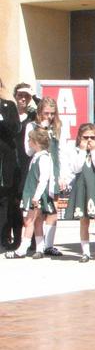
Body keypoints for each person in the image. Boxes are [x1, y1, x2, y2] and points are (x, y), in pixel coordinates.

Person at [65, 123, 95, 263]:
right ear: (80, 137)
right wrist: (82, 150)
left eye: (92, 137)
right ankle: (85, 252)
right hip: (82, 188)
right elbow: (76, 168)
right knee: (84, 221)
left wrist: (93, 151)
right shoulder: (75, 151)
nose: (89, 140)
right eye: (85, 137)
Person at [24, 97, 66, 257]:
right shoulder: (32, 126)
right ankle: (39, 247)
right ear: (39, 112)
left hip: (54, 171)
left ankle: (49, 245)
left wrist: (63, 175)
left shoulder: (57, 127)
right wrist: (41, 131)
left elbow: (62, 151)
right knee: (39, 211)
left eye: (52, 114)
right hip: (39, 172)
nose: (49, 117)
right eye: (46, 113)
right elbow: (27, 151)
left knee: (53, 209)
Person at [5, 127, 54, 259]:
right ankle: (40, 248)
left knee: (29, 221)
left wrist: (36, 196)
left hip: (35, 195)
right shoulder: (37, 156)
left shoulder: (43, 158)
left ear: (36, 142)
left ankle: (22, 249)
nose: (28, 142)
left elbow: (44, 178)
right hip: (32, 193)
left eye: (30, 140)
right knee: (37, 222)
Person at [8, 83, 38, 249]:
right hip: (11, 164)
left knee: (27, 202)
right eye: (20, 95)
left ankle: (32, 239)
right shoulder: (9, 113)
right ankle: (16, 239)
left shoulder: (33, 116)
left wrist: (34, 96)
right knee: (13, 203)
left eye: (26, 96)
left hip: (28, 164)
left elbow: (47, 109)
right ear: (15, 96)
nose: (23, 98)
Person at [0, 78, 20, 249]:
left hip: (5, 162)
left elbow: (15, 128)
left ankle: (3, 237)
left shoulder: (8, 107)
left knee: (5, 200)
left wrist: (1, 121)